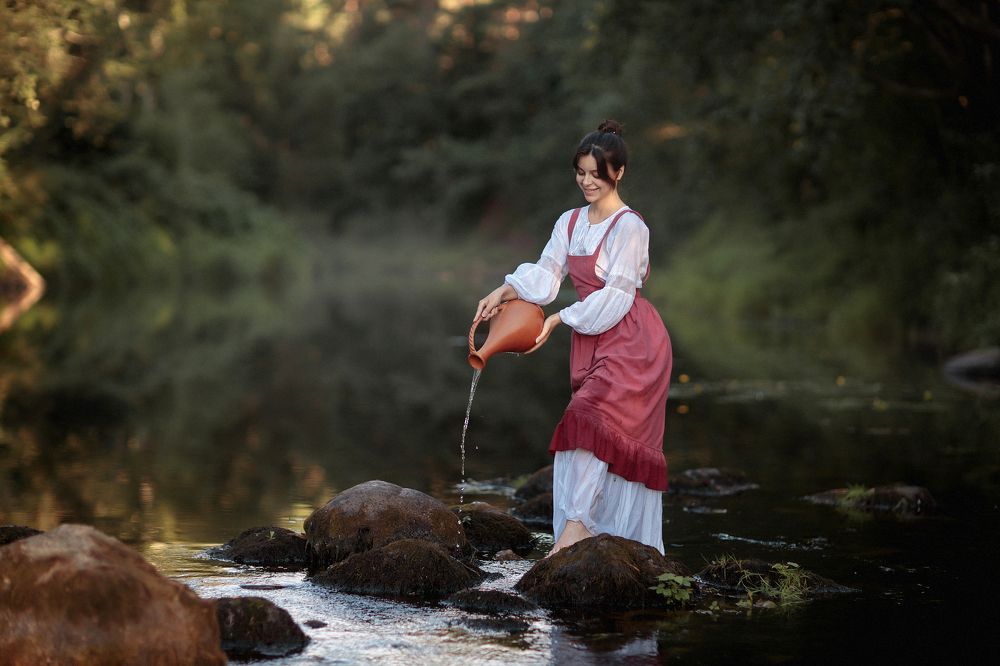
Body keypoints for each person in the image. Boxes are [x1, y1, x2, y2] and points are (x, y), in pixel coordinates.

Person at [474, 119, 672, 556]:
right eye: (580, 172)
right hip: (593, 336)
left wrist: (559, 319)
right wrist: (504, 290)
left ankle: (577, 530)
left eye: (596, 174)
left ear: (618, 172)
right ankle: (589, 532)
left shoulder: (630, 227)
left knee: (586, 420)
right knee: (588, 427)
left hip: (633, 339)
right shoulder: (569, 222)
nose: (586, 182)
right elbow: (547, 275)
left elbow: (618, 296)